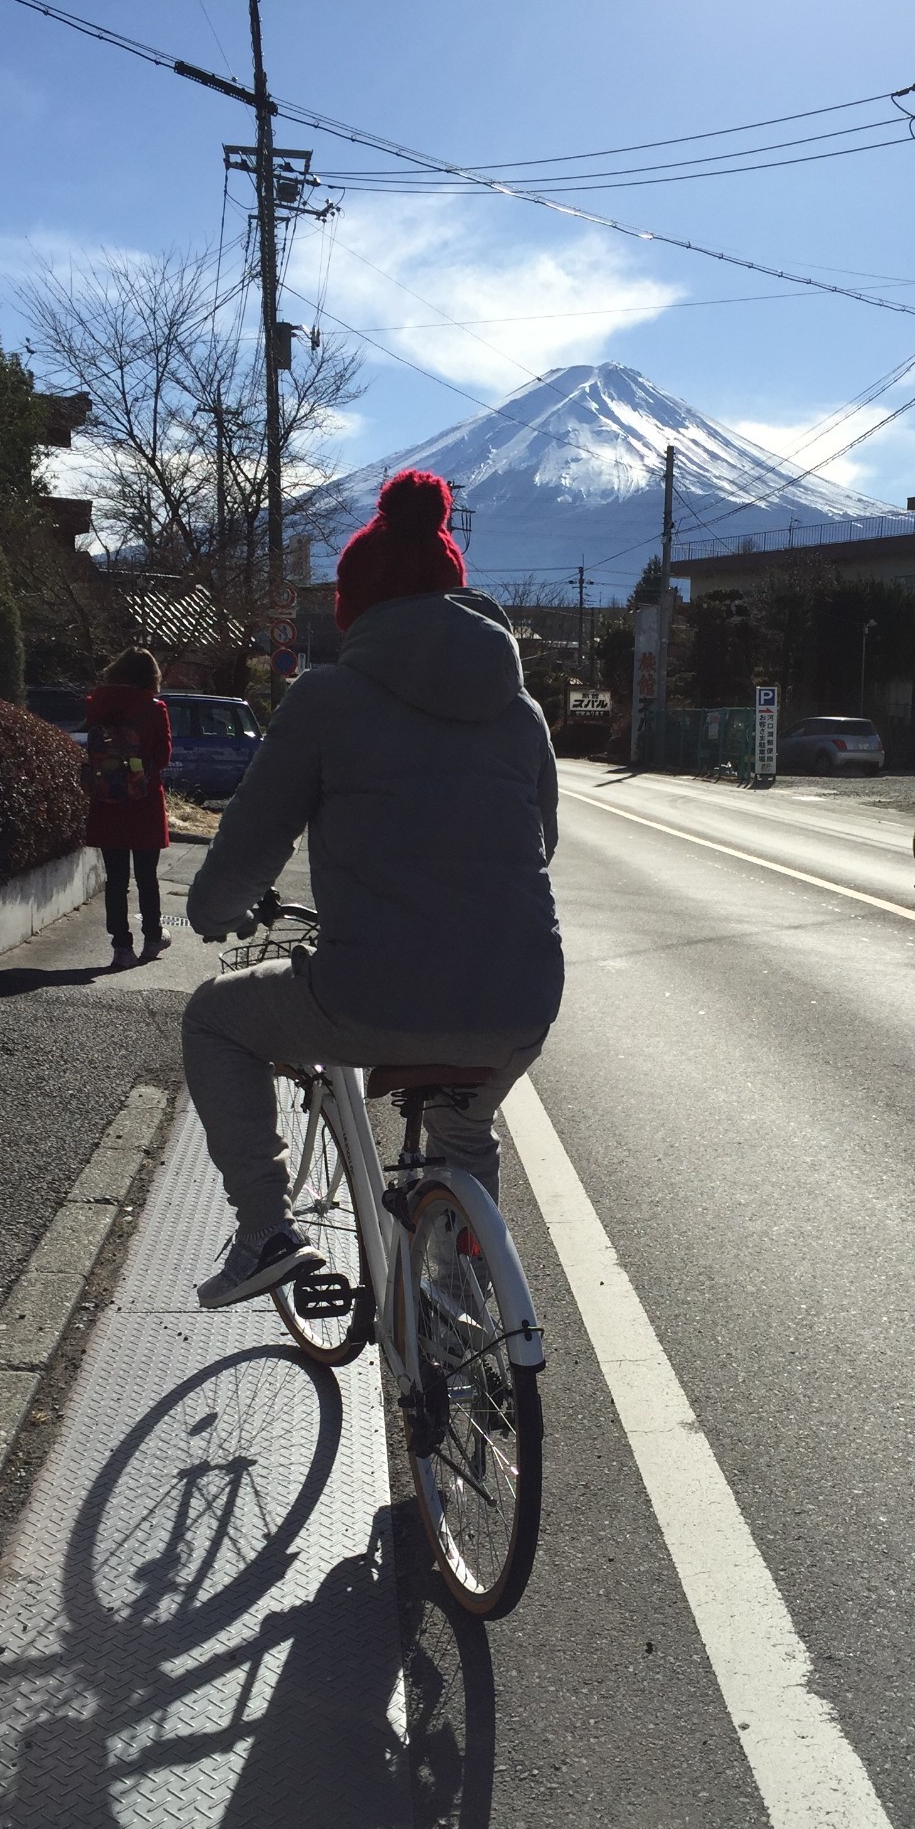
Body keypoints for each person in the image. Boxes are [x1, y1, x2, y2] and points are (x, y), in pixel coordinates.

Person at [182, 469, 563, 1310]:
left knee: (213, 1019)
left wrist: (211, 912)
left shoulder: (327, 698)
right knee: (466, 1131)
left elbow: (249, 845)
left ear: (358, 607)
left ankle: (265, 1231)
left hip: (372, 991)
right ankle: (460, 1310)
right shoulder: (522, 710)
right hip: (522, 998)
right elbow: (545, 842)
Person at [82, 647, 174, 972]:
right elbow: (162, 757)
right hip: (143, 800)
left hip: (107, 798)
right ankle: (152, 938)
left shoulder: (97, 704)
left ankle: (122, 946)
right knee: (147, 875)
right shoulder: (154, 708)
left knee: (116, 878)